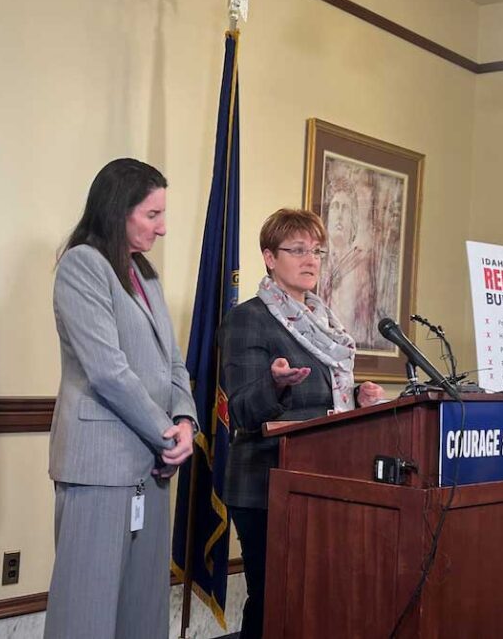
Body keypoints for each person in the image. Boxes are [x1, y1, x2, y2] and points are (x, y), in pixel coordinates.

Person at [44, 158, 197, 639]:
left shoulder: (144, 274)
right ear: (118, 209)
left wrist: (186, 422)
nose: (163, 227)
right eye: (152, 215)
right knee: (86, 613)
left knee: (143, 612)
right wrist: (166, 434)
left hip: (153, 466)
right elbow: (108, 371)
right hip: (99, 467)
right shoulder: (82, 265)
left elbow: (173, 362)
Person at [219, 208, 385, 639]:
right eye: (297, 250)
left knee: (318, 595)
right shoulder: (248, 318)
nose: (311, 260)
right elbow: (241, 411)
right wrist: (274, 385)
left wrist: (357, 399)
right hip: (265, 483)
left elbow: (328, 401)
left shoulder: (325, 323)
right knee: (274, 596)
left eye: (316, 251)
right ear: (270, 257)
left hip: (325, 478)